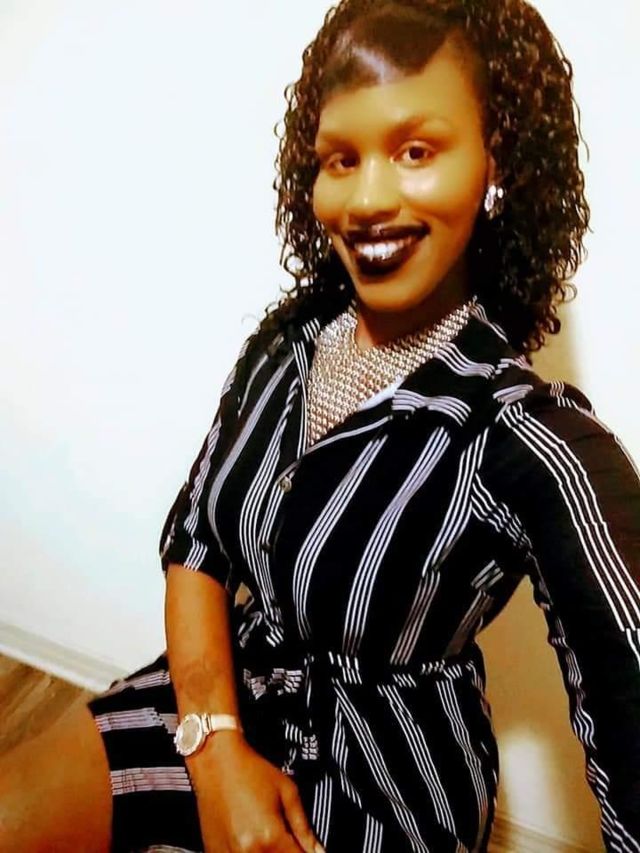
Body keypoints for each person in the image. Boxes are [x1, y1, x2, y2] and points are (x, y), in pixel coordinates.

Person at [1, 0, 639, 850]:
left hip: (387, 784)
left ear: (497, 162)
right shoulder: (287, 345)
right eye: (342, 158)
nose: (367, 198)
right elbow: (196, 543)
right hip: (220, 701)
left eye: (415, 151)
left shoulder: (525, 435)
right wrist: (216, 752)